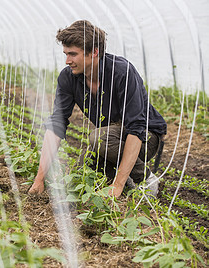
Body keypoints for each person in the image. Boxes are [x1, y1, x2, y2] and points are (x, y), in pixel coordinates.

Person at [28, 20, 167, 198]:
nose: (67, 61)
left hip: (145, 137)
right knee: (80, 176)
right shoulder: (68, 78)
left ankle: (145, 179)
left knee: (99, 138)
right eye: (65, 54)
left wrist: (117, 185)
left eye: (72, 54)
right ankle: (124, 176)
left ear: (94, 52)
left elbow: (136, 128)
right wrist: (39, 179)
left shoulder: (122, 73)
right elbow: (57, 123)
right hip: (110, 137)